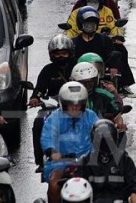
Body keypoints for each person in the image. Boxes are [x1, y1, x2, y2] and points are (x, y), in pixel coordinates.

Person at [41, 81, 99, 203]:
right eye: (71, 105)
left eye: (78, 105)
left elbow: (100, 133)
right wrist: (52, 152)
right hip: (61, 162)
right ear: (63, 104)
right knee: (54, 185)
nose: (75, 108)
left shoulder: (91, 116)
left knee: (103, 183)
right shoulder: (55, 118)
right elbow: (47, 137)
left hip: (87, 162)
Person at [30, 34, 76, 173]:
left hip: (77, 105)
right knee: (38, 122)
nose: (61, 56)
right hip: (54, 108)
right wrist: (35, 98)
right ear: (51, 55)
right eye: (57, 54)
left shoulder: (77, 67)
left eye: (64, 53)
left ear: (70, 53)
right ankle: (40, 162)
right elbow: (39, 89)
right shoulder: (47, 71)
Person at [72, 6, 136, 98]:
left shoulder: (104, 40)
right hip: (79, 78)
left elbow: (112, 54)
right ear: (80, 24)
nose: (90, 26)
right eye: (87, 24)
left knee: (113, 95)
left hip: (100, 77)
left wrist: (113, 66)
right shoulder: (74, 42)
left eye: (93, 23)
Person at [76, 119, 136, 203]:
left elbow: (134, 181)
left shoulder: (124, 160)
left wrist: (134, 194)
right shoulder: (85, 161)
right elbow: (77, 183)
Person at [70, 62, 126, 131]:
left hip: (99, 133)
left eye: (90, 82)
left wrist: (119, 123)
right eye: (83, 82)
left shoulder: (105, 95)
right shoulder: (66, 96)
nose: (87, 85)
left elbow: (117, 115)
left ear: (95, 81)